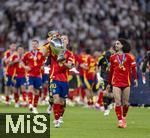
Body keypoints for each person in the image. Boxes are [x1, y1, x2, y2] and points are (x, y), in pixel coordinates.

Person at [40, 32, 75, 128]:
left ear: (67, 42)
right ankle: (56, 120)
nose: (63, 40)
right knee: (56, 98)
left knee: (62, 101)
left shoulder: (70, 54)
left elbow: (70, 66)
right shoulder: (53, 50)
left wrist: (62, 60)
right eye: (61, 39)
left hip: (64, 80)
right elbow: (43, 53)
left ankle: (60, 117)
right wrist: (49, 41)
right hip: (54, 77)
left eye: (65, 39)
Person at [107, 38, 138, 128]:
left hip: (126, 81)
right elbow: (111, 72)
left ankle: (123, 117)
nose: (116, 45)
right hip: (116, 82)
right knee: (117, 102)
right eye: (115, 44)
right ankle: (120, 121)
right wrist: (109, 83)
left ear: (122, 45)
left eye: (118, 43)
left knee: (126, 103)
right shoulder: (112, 58)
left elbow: (133, 69)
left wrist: (135, 79)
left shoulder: (129, 56)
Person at [22, 39, 45, 113]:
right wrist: (25, 67)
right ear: (31, 45)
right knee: (30, 88)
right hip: (30, 74)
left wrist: (42, 66)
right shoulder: (27, 54)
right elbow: (22, 62)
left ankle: (34, 106)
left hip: (38, 75)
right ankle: (30, 104)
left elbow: (43, 63)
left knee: (37, 91)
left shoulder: (41, 54)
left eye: (35, 44)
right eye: (33, 44)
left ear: (38, 45)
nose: (34, 45)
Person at [96, 50, 114, 116]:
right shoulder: (101, 58)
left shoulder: (114, 58)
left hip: (112, 79)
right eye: (107, 58)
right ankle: (106, 109)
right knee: (104, 93)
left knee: (111, 94)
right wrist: (98, 75)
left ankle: (109, 105)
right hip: (104, 78)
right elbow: (97, 66)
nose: (109, 59)